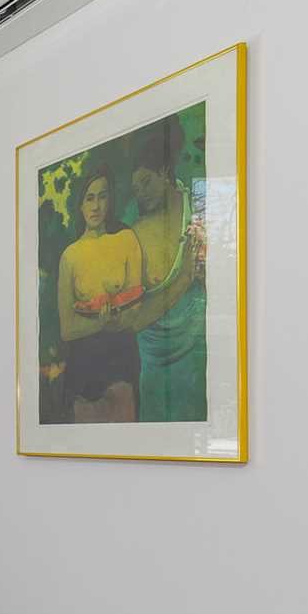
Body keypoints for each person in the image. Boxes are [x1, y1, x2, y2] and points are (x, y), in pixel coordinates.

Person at [126, 115, 208, 421]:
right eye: (135, 187)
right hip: (152, 358)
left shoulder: (196, 206)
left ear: (164, 173)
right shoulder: (132, 225)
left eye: (146, 181)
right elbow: (133, 318)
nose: (141, 192)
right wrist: (185, 278)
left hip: (196, 349)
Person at [55, 163, 144, 421]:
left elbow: (135, 308)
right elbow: (67, 329)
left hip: (121, 364)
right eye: (89, 198)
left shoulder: (127, 240)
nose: (96, 206)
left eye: (102, 196)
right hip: (82, 369)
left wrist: (103, 320)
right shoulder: (69, 256)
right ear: (80, 204)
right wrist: (105, 321)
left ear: (111, 199)